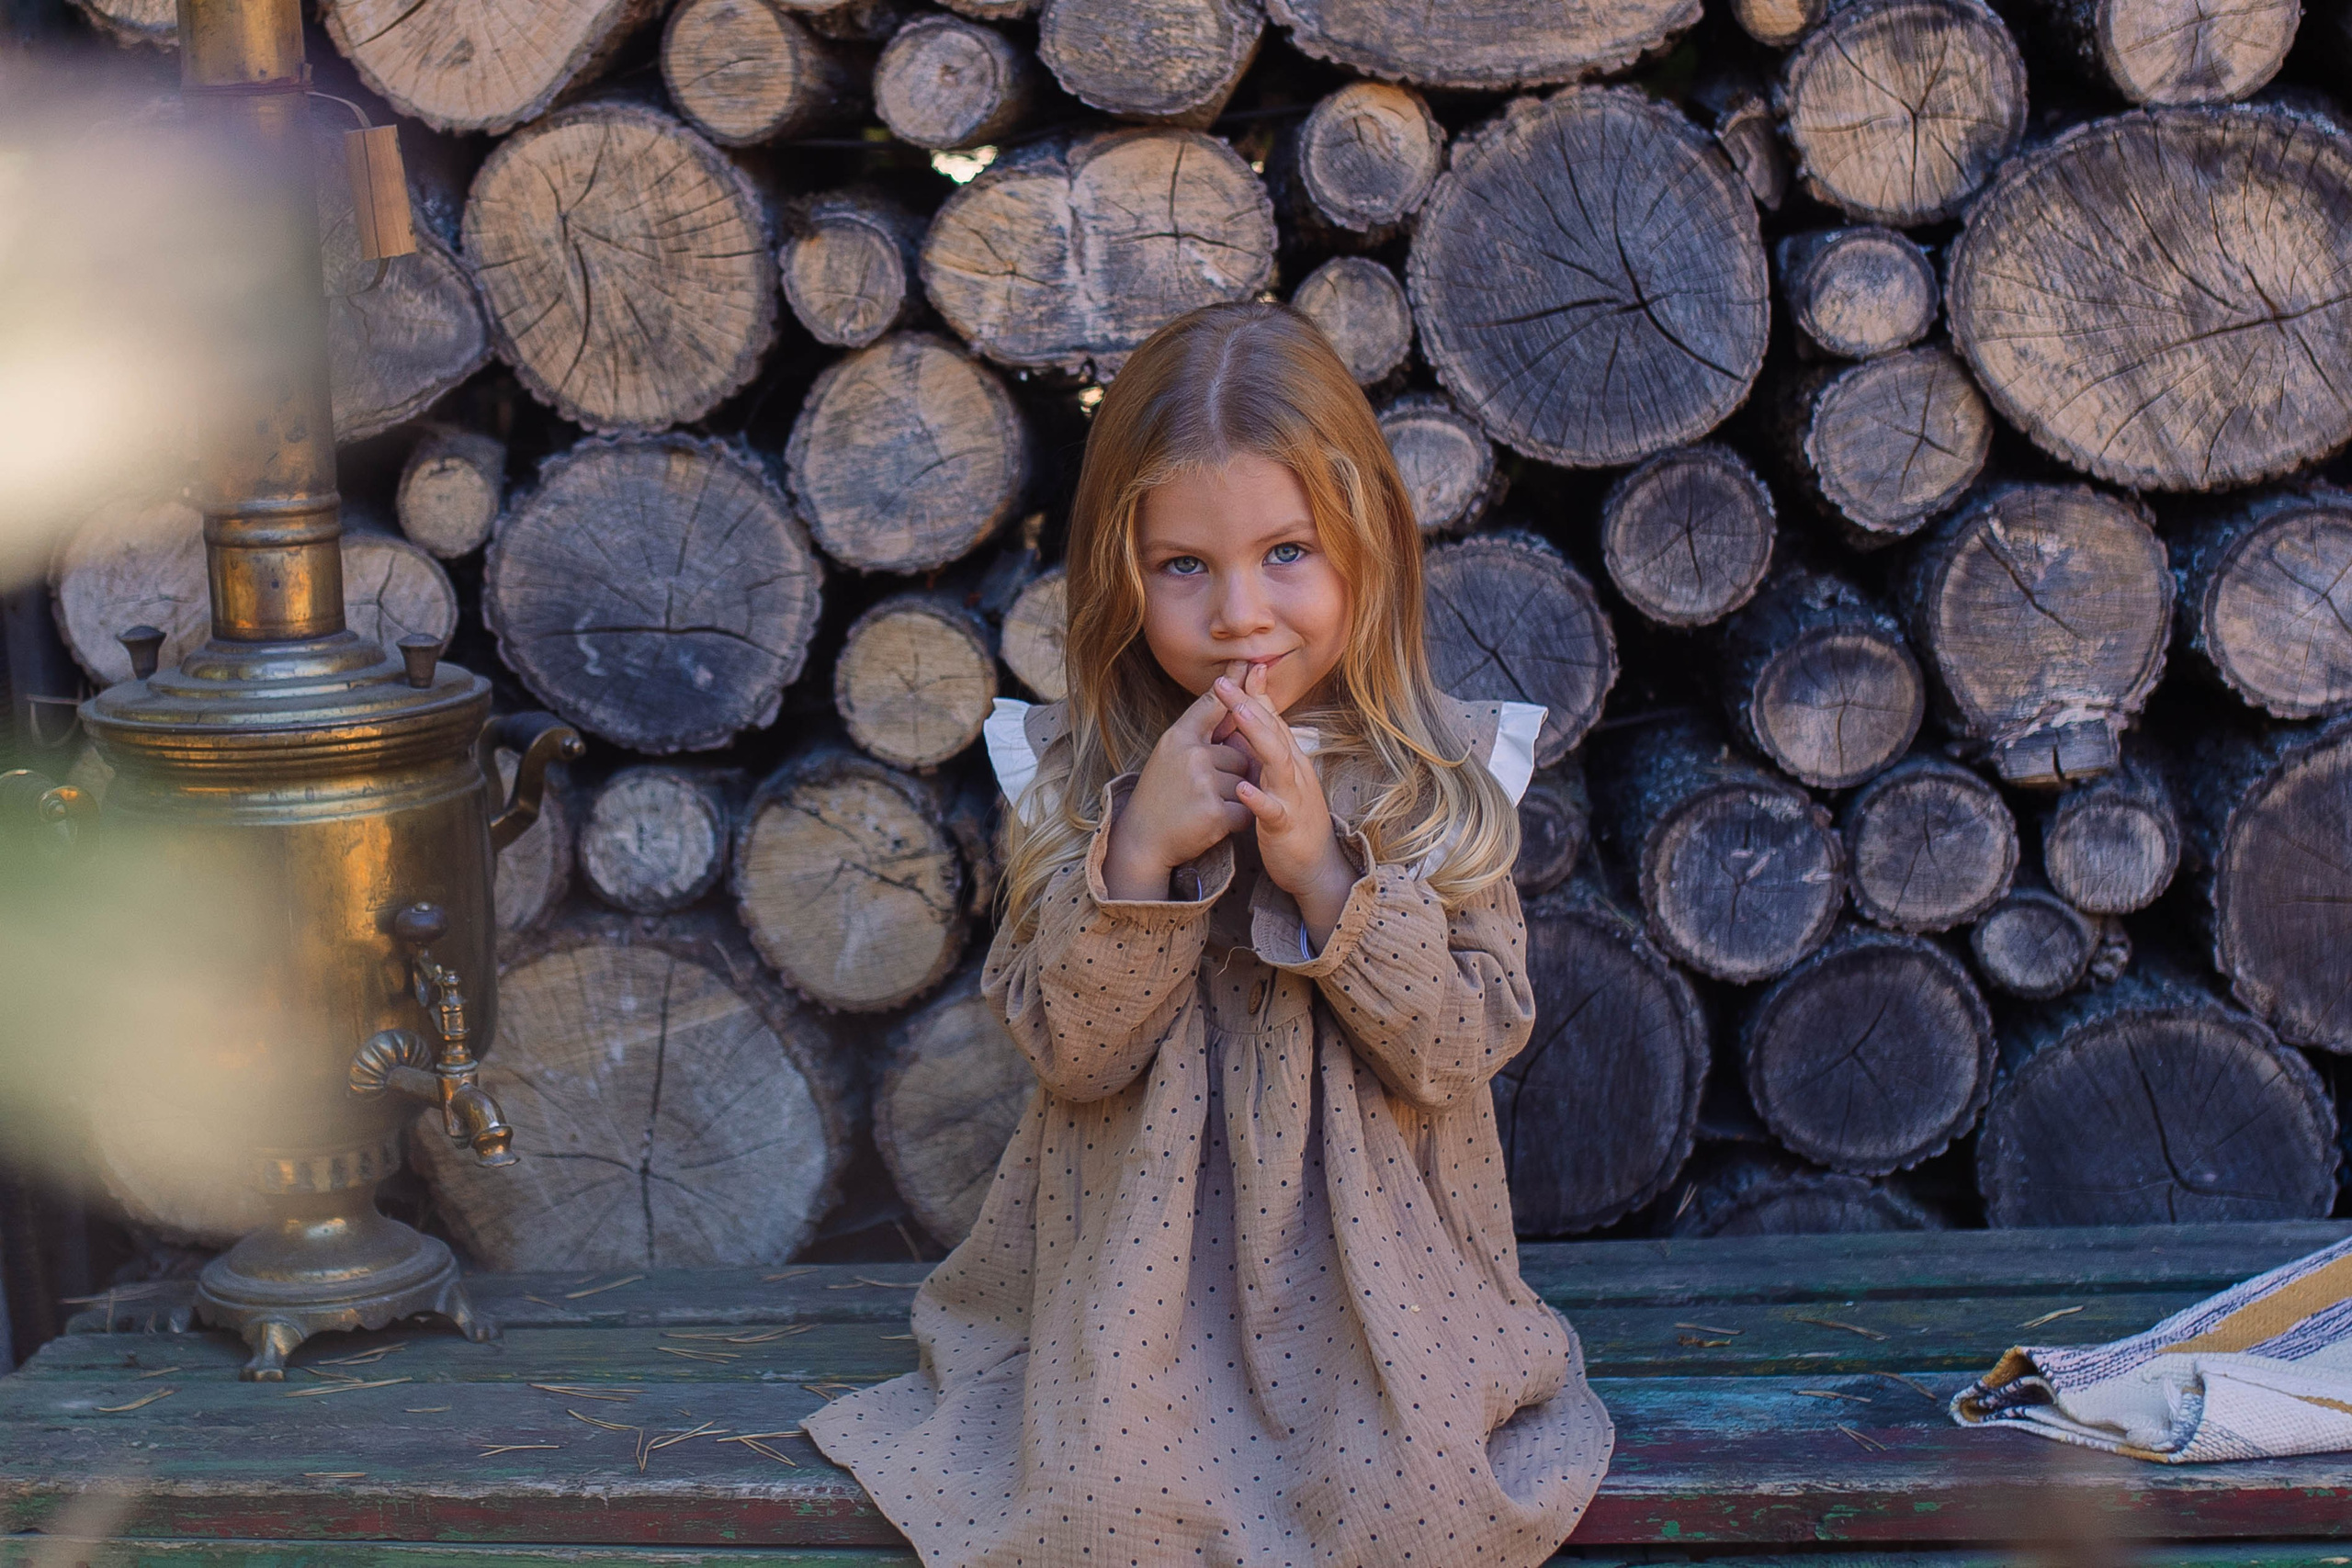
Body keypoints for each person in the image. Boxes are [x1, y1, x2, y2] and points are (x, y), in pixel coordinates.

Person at [804, 301, 1612, 1567]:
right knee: (1106, 1511)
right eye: (1185, 565)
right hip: (1137, 1285)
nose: (1241, 614)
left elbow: (1458, 1051)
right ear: (1120, 576)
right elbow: (1071, 1056)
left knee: (1418, 1506)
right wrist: (1138, 859)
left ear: (1371, 550)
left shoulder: (1435, 778)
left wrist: (1324, 874)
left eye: (1287, 551)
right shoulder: (1084, 778)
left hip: (1378, 1297)